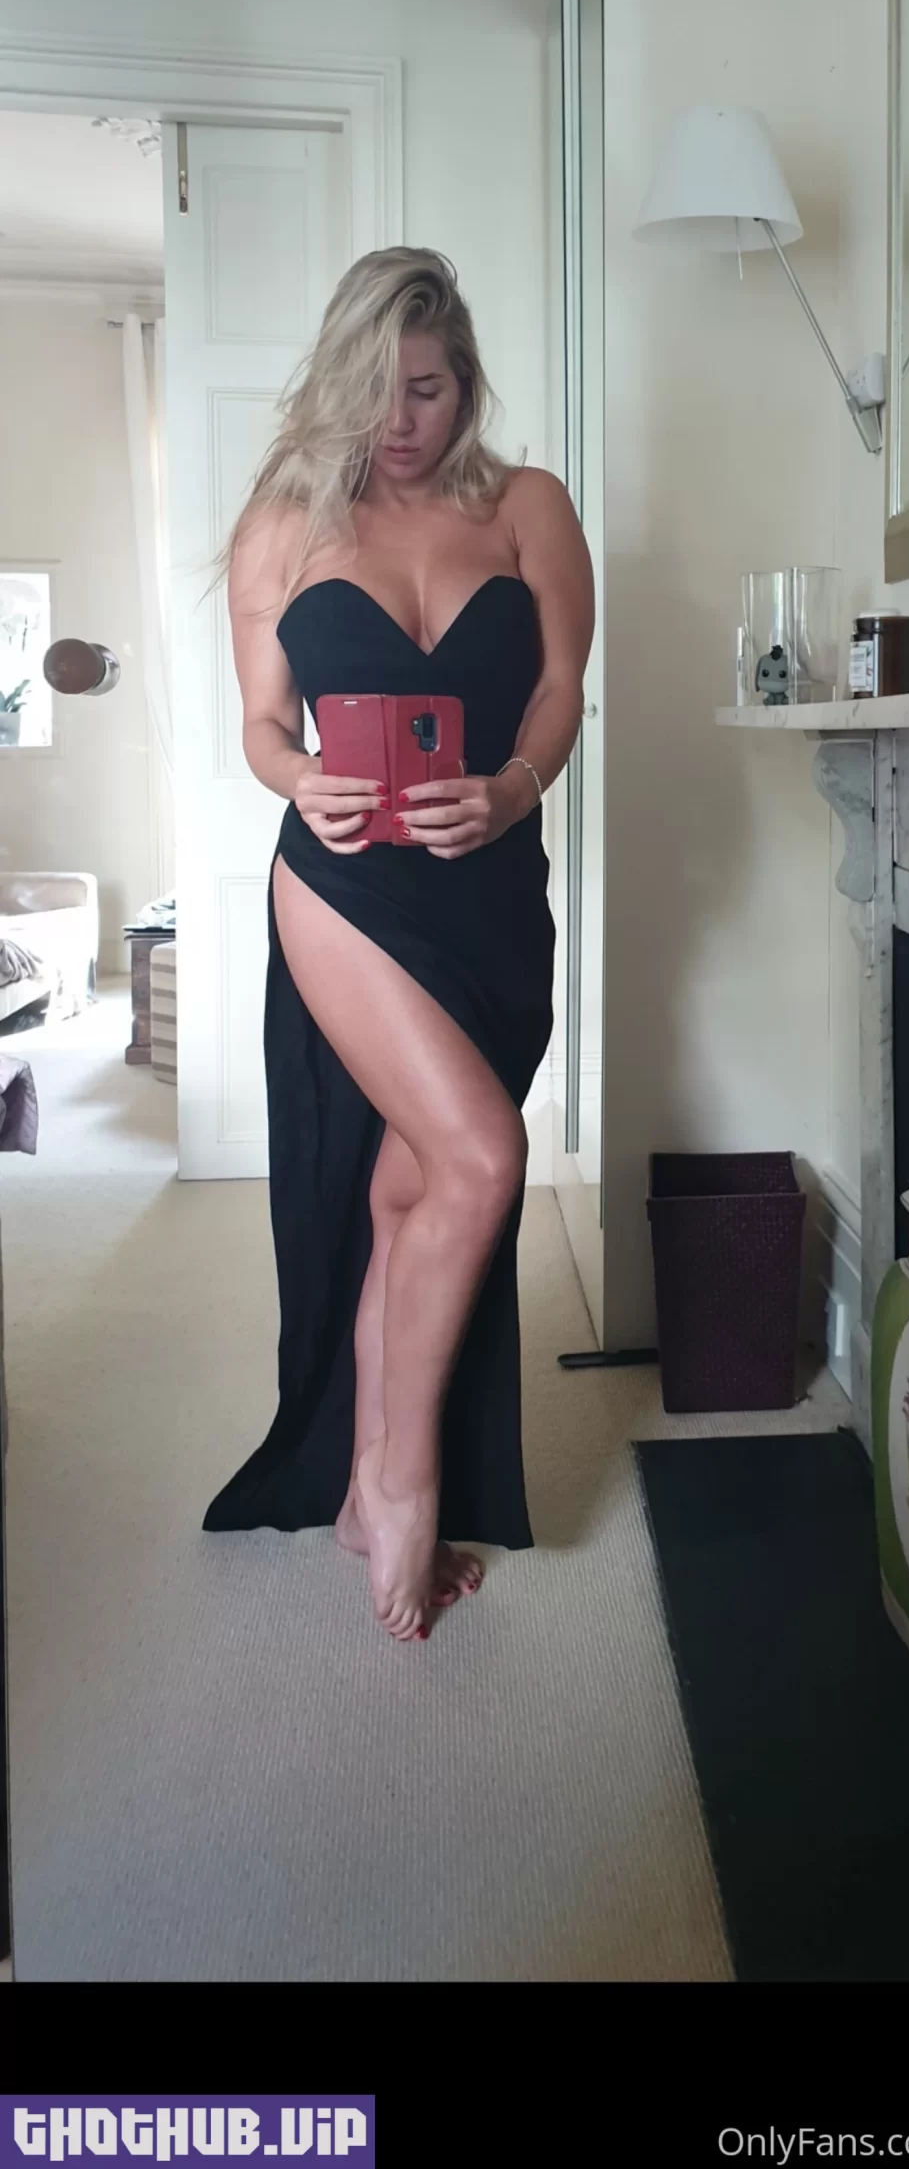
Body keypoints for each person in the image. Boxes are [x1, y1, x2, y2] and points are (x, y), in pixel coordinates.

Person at [202, 248, 594, 1645]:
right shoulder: (283, 524)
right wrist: (297, 779)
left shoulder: (529, 507)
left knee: (409, 1186)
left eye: (424, 388)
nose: (399, 419)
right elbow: (262, 726)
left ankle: (367, 1486)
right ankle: (404, 1479)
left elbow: (559, 688)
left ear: (464, 381)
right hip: (343, 892)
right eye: (374, 390)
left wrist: (513, 791)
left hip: (491, 896)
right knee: (484, 1158)